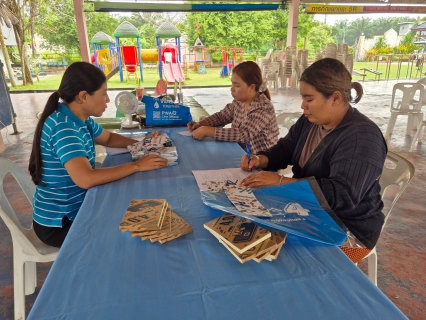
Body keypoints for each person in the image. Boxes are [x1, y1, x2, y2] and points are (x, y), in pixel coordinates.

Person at [240, 58, 387, 250]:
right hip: (309, 211)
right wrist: (261, 159)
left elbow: (342, 195)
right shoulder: (311, 121)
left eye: (309, 99)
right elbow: (286, 148)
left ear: (335, 98)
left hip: (348, 231)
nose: (303, 106)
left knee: (279, 251)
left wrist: (279, 182)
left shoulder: (362, 137)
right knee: (249, 227)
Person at [28, 62, 168, 248]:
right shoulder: (64, 127)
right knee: (130, 235)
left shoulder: (78, 118)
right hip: (60, 222)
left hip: (75, 207)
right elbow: (86, 179)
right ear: (83, 97)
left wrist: (143, 144)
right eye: (103, 93)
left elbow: (108, 138)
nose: (108, 100)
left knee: (132, 208)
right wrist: (137, 165)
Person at [187, 61, 279, 154]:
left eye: (237, 85)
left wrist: (207, 131)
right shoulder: (239, 102)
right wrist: (200, 124)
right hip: (241, 154)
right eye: (232, 84)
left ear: (251, 87)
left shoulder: (263, 108)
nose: (232, 89)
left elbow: (244, 134)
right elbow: (222, 117)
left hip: (261, 160)